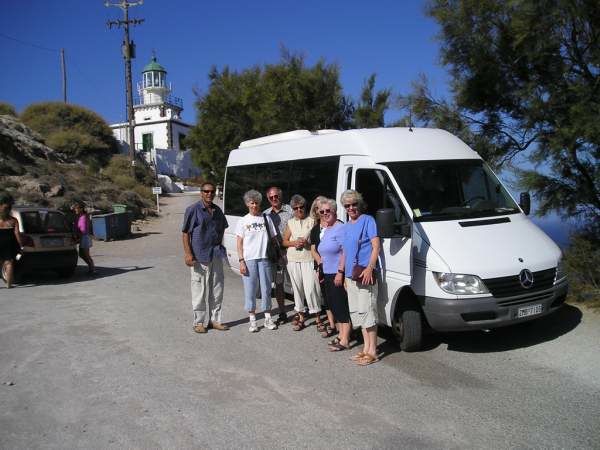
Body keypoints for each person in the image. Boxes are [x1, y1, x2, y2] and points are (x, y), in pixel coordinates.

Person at [339, 190, 381, 366]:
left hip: (364, 274)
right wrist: (342, 275)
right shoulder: (347, 225)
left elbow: (376, 246)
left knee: (368, 312)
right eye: (347, 206)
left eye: (353, 204)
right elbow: (345, 252)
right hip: (351, 276)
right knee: (359, 313)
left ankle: (373, 351)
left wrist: (370, 268)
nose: (351, 208)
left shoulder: (368, 220)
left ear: (359, 204)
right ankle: (365, 349)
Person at [182, 182, 229, 334]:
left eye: (212, 191)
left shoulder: (217, 210)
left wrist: (219, 246)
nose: (209, 194)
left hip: (215, 254)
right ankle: (199, 322)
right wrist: (188, 254)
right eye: (206, 191)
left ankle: (215, 320)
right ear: (201, 193)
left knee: (217, 289)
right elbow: (185, 233)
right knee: (199, 290)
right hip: (199, 256)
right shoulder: (193, 210)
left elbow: (222, 229)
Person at [237, 189, 279, 332]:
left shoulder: (266, 219)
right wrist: (241, 260)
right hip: (249, 260)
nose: (254, 205)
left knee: (266, 289)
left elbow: (274, 238)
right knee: (250, 290)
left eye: (257, 203)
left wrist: (280, 254)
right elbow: (239, 243)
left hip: (265, 258)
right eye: (252, 203)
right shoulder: (243, 221)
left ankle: (268, 317)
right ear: (247, 204)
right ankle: (253, 320)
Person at [282, 195, 323, 331]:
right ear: (293, 209)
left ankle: (317, 318)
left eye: (301, 207)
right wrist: (294, 242)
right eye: (296, 208)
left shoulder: (311, 221)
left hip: (308, 259)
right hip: (293, 260)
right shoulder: (291, 222)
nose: (299, 210)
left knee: (312, 289)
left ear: (305, 207)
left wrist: (307, 242)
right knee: (297, 290)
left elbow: (317, 240)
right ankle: (301, 317)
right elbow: (284, 241)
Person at [263, 186, 293, 324]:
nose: (274, 199)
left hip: (292, 251)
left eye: (276, 196)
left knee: (297, 283)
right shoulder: (265, 214)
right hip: (276, 255)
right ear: (268, 199)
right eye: (271, 197)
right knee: (279, 284)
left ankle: (302, 312)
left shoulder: (291, 210)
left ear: (280, 196)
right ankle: (282, 312)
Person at [310, 196, 336, 338]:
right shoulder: (315, 230)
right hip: (321, 268)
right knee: (326, 297)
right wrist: (321, 263)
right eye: (321, 211)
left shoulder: (337, 225)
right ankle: (332, 325)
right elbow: (313, 250)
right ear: (317, 212)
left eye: (326, 210)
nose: (324, 213)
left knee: (338, 298)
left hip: (336, 268)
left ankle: (342, 326)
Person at [0, 192, 22, 289]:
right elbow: (17, 234)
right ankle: (9, 285)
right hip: (9, 242)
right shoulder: (13, 220)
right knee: (9, 263)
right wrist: (20, 245)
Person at [72, 201, 95, 275]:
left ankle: (92, 269)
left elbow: (83, 230)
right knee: (82, 254)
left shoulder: (84, 217)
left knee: (86, 254)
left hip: (84, 237)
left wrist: (79, 238)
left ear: (81, 209)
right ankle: (91, 268)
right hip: (82, 237)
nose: (75, 210)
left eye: (76, 208)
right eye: (75, 208)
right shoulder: (79, 217)